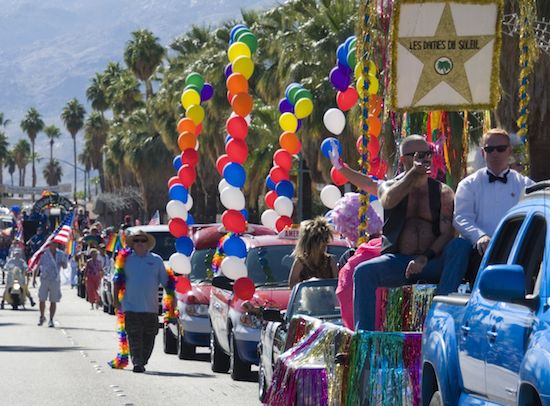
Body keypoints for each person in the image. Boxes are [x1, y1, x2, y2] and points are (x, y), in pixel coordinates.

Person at [350, 135, 471, 331]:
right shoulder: (389, 187)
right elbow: (388, 200)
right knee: (363, 272)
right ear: (403, 160)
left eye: (427, 154)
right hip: (397, 261)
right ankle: (365, 338)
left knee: (461, 246)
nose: (424, 159)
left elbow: (447, 233)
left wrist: (424, 258)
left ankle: (439, 315)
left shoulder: (443, 191)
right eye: (417, 155)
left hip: (431, 261)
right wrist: (412, 174)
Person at [454, 128, 534, 276]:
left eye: (500, 149)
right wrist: (479, 236)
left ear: (509, 151)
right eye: (489, 149)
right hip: (480, 251)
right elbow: (461, 218)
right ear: (483, 153)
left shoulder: (525, 185)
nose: (495, 153)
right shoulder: (468, 184)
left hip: (517, 250)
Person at [113, 229, 168, 373]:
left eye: (143, 241)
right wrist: (115, 300)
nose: (140, 244)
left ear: (147, 243)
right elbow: (117, 281)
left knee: (149, 338)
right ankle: (137, 362)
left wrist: (172, 301)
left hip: (151, 308)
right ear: (133, 243)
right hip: (130, 307)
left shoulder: (156, 260)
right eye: (136, 241)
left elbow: (166, 283)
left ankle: (142, 360)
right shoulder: (125, 260)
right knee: (134, 336)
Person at [288, 217, 338, 289]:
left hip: (327, 299)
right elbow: (292, 285)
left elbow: (337, 285)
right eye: (322, 240)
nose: (326, 243)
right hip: (307, 299)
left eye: (326, 239)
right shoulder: (300, 262)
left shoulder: (330, 261)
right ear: (312, 243)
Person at [33, 241, 68, 327]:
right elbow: (37, 267)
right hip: (44, 278)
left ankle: (51, 319)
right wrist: (34, 279)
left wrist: (63, 264)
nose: (54, 245)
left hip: (55, 279)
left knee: (53, 300)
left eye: (56, 244)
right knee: (42, 299)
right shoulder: (43, 254)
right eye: (52, 244)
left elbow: (65, 266)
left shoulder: (61, 254)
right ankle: (42, 316)